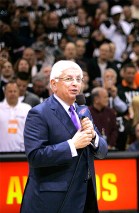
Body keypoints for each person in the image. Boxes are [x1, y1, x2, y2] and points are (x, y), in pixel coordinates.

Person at [21, 60, 108, 213]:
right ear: (53, 84)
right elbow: (35, 157)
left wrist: (94, 137)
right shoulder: (38, 113)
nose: (75, 84)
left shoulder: (83, 110)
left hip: (85, 195)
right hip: (53, 201)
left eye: (78, 79)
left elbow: (102, 152)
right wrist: (72, 145)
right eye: (69, 79)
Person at [0, 80, 31, 152]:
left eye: (15, 91)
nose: (13, 93)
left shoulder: (27, 108)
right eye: (10, 91)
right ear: (5, 93)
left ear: (19, 92)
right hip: (2, 153)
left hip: (22, 153)